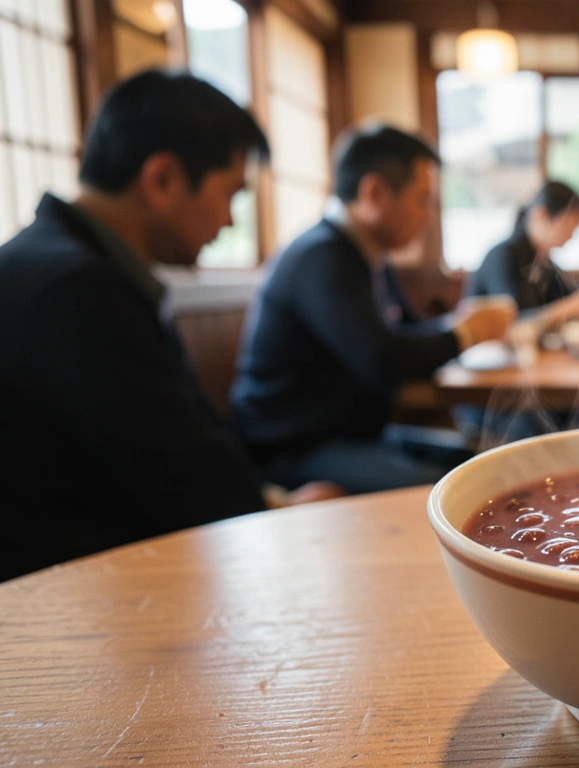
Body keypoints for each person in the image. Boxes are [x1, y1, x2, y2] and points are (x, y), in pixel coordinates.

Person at [0, 70, 337, 583]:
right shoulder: (74, 289)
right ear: (161, 180)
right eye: (231, 193)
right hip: (64, 592)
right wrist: (276, 512)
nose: (228, 221)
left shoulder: (56, 263)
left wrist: (271, 501)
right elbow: (180, 477)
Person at [230, 125, 516, 495]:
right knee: (456, 492)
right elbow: (382, 359)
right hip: (296, 448)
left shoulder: (368, 256)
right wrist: (468, 332)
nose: (430, 217)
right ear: (374, 193)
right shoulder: (321, 256)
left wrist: (463, 326)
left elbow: (410, 334)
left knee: (488, 462)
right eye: (423, 199)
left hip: (359, 436)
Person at [465, 181, 579, 325]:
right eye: (568, 226)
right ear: (541, 215)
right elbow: (513, 323)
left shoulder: (542, 261)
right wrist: (569, 309)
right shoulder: (503, 257)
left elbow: (574, 295)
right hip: (485, 361)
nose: (571, 236)